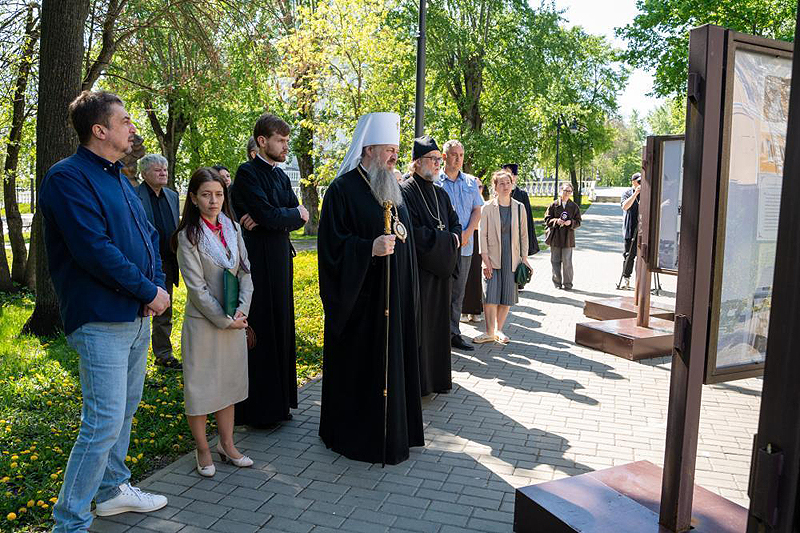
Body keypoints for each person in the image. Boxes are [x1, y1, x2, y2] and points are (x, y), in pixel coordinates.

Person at [40, 90, 169, 532]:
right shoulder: (67, 177)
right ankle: (69, 522)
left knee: (125, 412)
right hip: (99, 319)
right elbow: (94, 250)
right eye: (126, 121)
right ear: (100, 130)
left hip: (135, 316)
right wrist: (147, 290)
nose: (133, 128)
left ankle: (113, 491)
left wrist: (159, 287)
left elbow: (149, 237)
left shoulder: (119, 178)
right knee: (103, 422)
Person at [318, 112, 424, 465]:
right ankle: (358, 435)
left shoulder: (391, 186)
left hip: (394, 296)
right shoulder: (341, 190)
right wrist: (368, 248)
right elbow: (332, 249)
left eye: (396, 150)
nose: (395, 156)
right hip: (361, 306)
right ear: (368, 148)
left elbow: (403, 235)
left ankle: (397, 430)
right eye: (388, 149)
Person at [173, 167, 254, 477]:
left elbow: (245, 273)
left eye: (219, 194)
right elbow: (196, 289)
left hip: (234, 320)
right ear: (193, 198)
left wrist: (241, 312)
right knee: (201, 390)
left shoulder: (233, 228)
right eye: (206, 195)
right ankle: (203, 449)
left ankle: (227, 444)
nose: (213, 200)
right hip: (205, 325)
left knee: (228, 386)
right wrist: (224, 320)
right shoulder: (188, 236)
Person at [230, 113, 308, 427]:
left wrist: (278, 216)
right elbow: (271, 214)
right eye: (281, 140)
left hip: (280, 260)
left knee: (282, 326)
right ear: (262, 141)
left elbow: (299, 215)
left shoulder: (280, 176)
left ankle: (280, 405)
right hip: (258, 263)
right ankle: (260, 411)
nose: (286, 145)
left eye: (287, 140)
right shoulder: (247, 173)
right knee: (262, 328)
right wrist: (277, 216)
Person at [401, 136, 461, 395]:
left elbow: (454, 222)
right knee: (422, 327)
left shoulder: (440, 192)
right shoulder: (405, 191)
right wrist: (447, 242)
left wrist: (453, 238)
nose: (438, 165)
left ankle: (438, 379)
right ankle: (421, 383)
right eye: (433, 159)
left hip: (441, 274)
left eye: (439, 160)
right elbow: (413, 233)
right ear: (416, 163)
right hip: (420, 273)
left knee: (439, 327)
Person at [135, 154, 182, 370]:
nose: (163, 173)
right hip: (144, 262)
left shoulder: (172, 196)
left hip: (168, 262)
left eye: (165, 169)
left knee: (165, 309)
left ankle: (163, 354)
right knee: (141, 310)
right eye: (157, 170)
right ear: (144, 174)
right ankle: (136, 355)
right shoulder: (135, 195)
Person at [475, 170, 530, 344]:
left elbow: (524, 236)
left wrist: (524, 258)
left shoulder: (519, 208)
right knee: (490, 295)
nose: (505, 187)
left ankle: (499, 330)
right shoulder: (487, 207)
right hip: (492, 256)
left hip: (512, 258)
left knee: (507, 295)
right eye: (501, 184)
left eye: (508, 183)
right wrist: (485, 260)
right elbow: (482, 235)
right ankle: (489, 332)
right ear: (495, 187)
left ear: (512, 185)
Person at [438, 139, 483, 351]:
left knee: (458, 293)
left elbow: (477, 210)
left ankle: (453, 333)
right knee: (439, 291)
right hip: (442, 247)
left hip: (464, 245)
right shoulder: (435, 181)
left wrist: (466, 233)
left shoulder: (471, 183)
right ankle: (436, 334)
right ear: (445, 156)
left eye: (461, 155)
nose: (458, 159)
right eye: (454, 154)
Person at [544, 183, 582, 290]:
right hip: (555, 237)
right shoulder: (554, 205)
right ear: (561, 191)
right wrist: (556, 221)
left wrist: (571, 223)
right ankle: (557, 283)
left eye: (569, 191)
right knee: (555, 261)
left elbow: (579, 222)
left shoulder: (574, 206)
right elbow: (547, 220)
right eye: (565, 191)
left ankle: (568, 284)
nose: (567, 193)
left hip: (568, 238)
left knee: (567, 261)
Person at [503, 163, 540, 258]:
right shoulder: (498, 194)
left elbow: (527, 219)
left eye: (509, 174)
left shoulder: (522, 195)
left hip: (517, 236)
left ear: (515, 177)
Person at [461, 181, 484, 322]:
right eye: (476, 186)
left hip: (478, 240)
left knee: (476, 276)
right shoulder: (466, 200)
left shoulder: (483, 204)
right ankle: (463, 311)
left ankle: (475, 311)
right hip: (466, 237)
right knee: (465, 276)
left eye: (481, 187)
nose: (479, 189)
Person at [620, 172, 641, 289]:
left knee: (643, 256)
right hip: (630, 228)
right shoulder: (627, 193)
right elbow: (625, 206)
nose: (640, 184)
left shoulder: (646, 193)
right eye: (638, 181)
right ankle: (626, 278)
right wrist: (636, 193)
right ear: (633, 182)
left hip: (643, 228)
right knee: (629, 255)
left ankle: (641, 282)